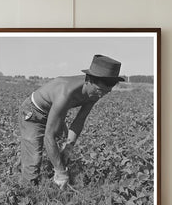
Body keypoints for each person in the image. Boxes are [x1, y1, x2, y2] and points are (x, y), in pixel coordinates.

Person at [18, 54, 124, 188]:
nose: (101, 95)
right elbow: (49, 136)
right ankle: (27, 189)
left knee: (63, 151)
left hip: (56, 112)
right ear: (88, 81)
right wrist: (60, 172)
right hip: (34, 114)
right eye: (100, 91)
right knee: (33, 160)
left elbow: (79, 121)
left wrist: (68, 148)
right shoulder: (65, 93)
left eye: (106, 92)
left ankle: (53, 175)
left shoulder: (95, 91)